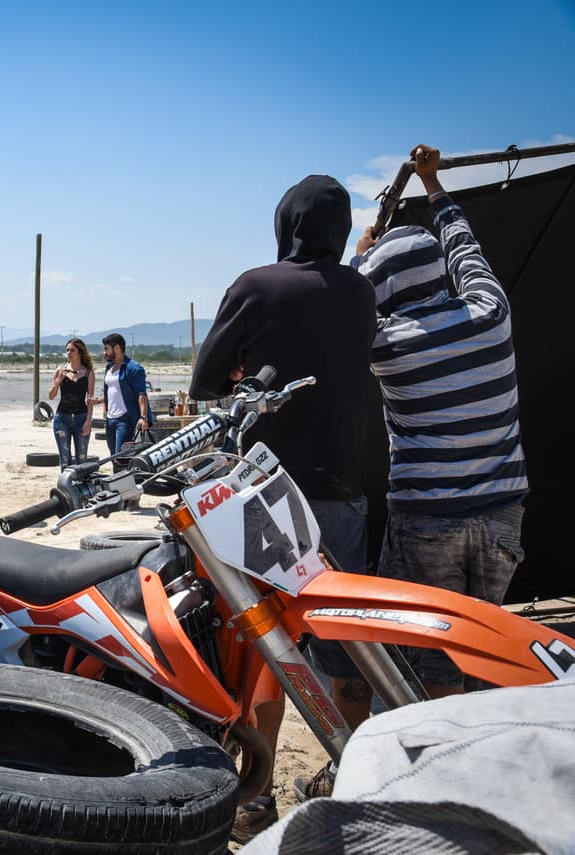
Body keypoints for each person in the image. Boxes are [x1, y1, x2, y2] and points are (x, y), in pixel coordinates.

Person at [189, 173, 376, 842]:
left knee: (267, 642)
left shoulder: (257, 285)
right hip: (346, 492)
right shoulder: (362, 291)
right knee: (347, 644)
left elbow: (207, 380)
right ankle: (355, 781)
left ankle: (258, 792)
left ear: (284, 223)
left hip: (267, 498)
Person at [341, 147, 528, 714]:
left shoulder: (387, 343)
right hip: (503, 517)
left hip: (429, 519)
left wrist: (360, 258)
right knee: (483, 647)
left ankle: (426, 779)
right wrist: (435, 187)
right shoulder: (489, 312)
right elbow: (465, 248)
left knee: (426, 661)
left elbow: (342, 309)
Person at [93, 333, 151, 457]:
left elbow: (141, 394)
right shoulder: (109, 367)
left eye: (106, 349)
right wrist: (98, 400)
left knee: (121, 456)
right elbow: (111, 392)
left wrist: (143, 417)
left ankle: (126, 476)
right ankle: (118, 476)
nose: (104, 353)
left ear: (117, 348)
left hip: (125, 420)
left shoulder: (134, 368)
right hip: (110, 419)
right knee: (113, 456)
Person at [47, 338, 97, 467]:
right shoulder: (60, 370)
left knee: (82, 458)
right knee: (65, 459)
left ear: (80, 352)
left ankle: (81, 486)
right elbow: (51, 396)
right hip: (62, 418)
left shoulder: (88, 373)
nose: (69, 353)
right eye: (67, 350)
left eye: (72, 350)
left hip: (82, 417)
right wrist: (58, 381)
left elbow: (90, 399)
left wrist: (89, 420)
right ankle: (66, 487)